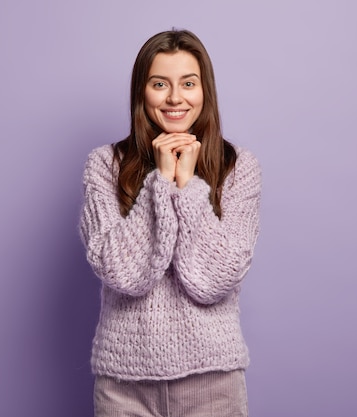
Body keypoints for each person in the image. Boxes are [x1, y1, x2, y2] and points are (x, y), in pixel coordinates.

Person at [79, 29, 261, 417]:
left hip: (213, 383)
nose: (175, 98)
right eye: (160, 84)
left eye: (188, 84)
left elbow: (215, 278)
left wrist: (188, 185)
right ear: (141, 92)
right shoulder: (105, 165)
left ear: (204, 91)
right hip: (124, 386)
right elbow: (121, 272)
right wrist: (158, 183)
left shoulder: (238, 168)